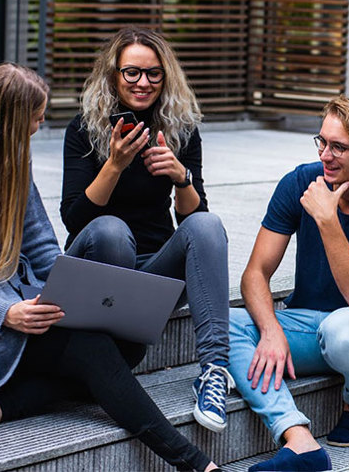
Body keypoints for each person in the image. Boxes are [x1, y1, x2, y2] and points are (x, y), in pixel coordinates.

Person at [0, 63, 223, 471]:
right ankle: (193, 462)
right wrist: (6, 313)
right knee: (94, 351)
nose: (38, 127)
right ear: (8, 119)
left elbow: (39, 243)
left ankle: (4, 405)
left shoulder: (12, 156)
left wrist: (66, 291)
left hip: (20, 300)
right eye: (35, 119)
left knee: (127, 346)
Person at [229, 97, 349, 471]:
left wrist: (328, 219)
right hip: (304, 322)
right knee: (223, 325)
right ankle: (298, 439)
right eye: (321, 142)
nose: (325, 155)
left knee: (345, 330)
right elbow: (255, 272)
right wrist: (271, 330)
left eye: (338, 146)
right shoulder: (300, 181)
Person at [60, 26, 233, 433]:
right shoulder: (84, 129)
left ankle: (213, 373)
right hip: (98, 266)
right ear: (113, 75)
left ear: (166, 76)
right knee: (111, 231)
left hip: (153, 275)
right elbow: (75, 219)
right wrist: (115, 164)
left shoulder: (180, 129)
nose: (143, 83)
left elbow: (195, 223)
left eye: (154, 73)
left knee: (208, 225)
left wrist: (181, 177)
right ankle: (107, 356)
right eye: (132, 72)